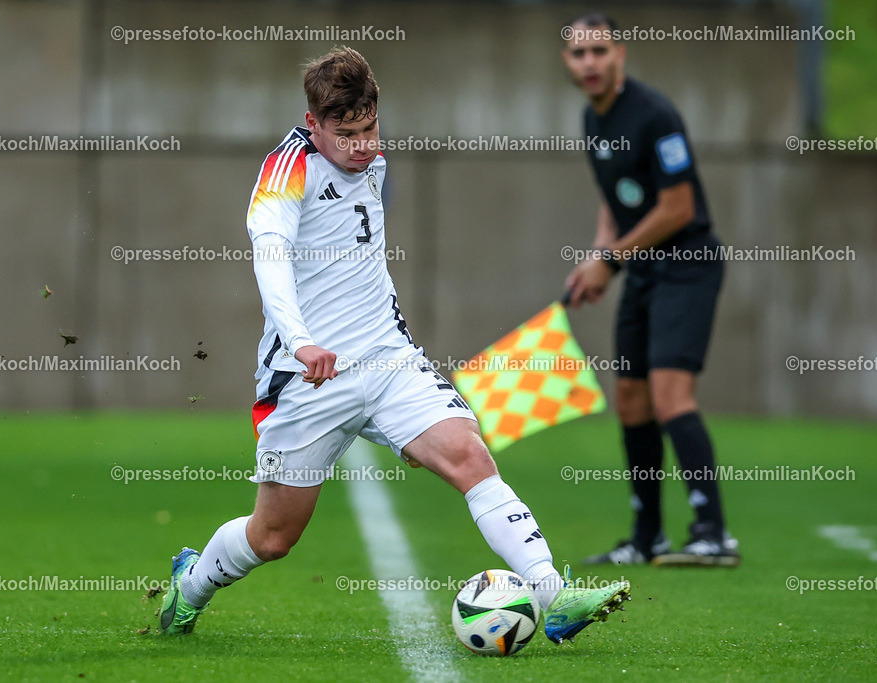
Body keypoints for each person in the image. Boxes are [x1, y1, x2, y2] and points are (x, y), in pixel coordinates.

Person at [158, 46, 629, 643]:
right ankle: (191, 583)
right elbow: (270, 257)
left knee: (469, 453)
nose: (362, 145)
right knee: (273, 537)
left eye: (370, 128)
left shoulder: (373, 161)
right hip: (308, 379)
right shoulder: (287, 171)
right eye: (345, 133)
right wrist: (301, 343)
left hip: (388, 363)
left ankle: (551, 594)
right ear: (312, 125)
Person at [561, 13, 739, 567]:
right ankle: (647, 537)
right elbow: (615, 201)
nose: (588, 62)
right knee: (631, 401)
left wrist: (610, 261)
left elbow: (677, 207)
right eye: (577, 53)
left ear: (621, 54)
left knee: (668, 396)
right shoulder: (593, 118)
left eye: (598, 50)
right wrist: (599, 254)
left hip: (687, 264)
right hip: (642, 269)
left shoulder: (655, 115)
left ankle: (712, 533)